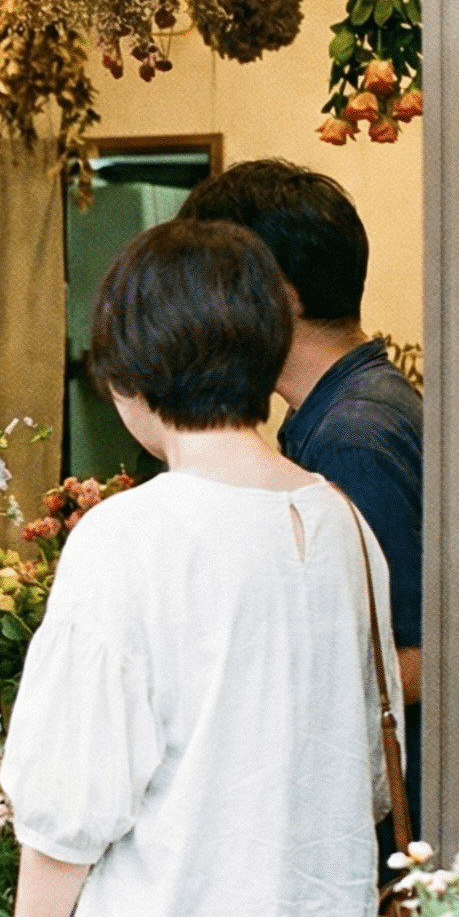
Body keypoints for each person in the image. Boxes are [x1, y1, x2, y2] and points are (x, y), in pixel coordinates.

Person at [0, 219, 396, 917]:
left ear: (129, 372)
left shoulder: (129, 539)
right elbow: (366, 768)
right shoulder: (340, 523)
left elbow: (68, 808)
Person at [178, 160, 421, 822]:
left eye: (212, 281)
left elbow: (424, 654)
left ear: (277, 295)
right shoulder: (352, 404)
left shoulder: (353, 433)